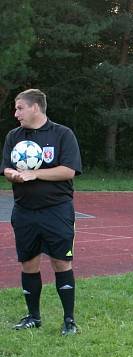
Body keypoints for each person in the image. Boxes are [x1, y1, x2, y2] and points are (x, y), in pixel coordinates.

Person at [2, 88, 82, 335]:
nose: (16, 114)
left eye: (19, 108)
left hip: (56, 210)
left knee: (61, 262)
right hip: (24, 211)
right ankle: (33, 317)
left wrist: (35, 173)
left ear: (35, 107)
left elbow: (68, 170)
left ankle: (69, 321)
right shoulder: (14, 136)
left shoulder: (62, 134)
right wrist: (13, 174)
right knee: (28, 264)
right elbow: (5, 168)